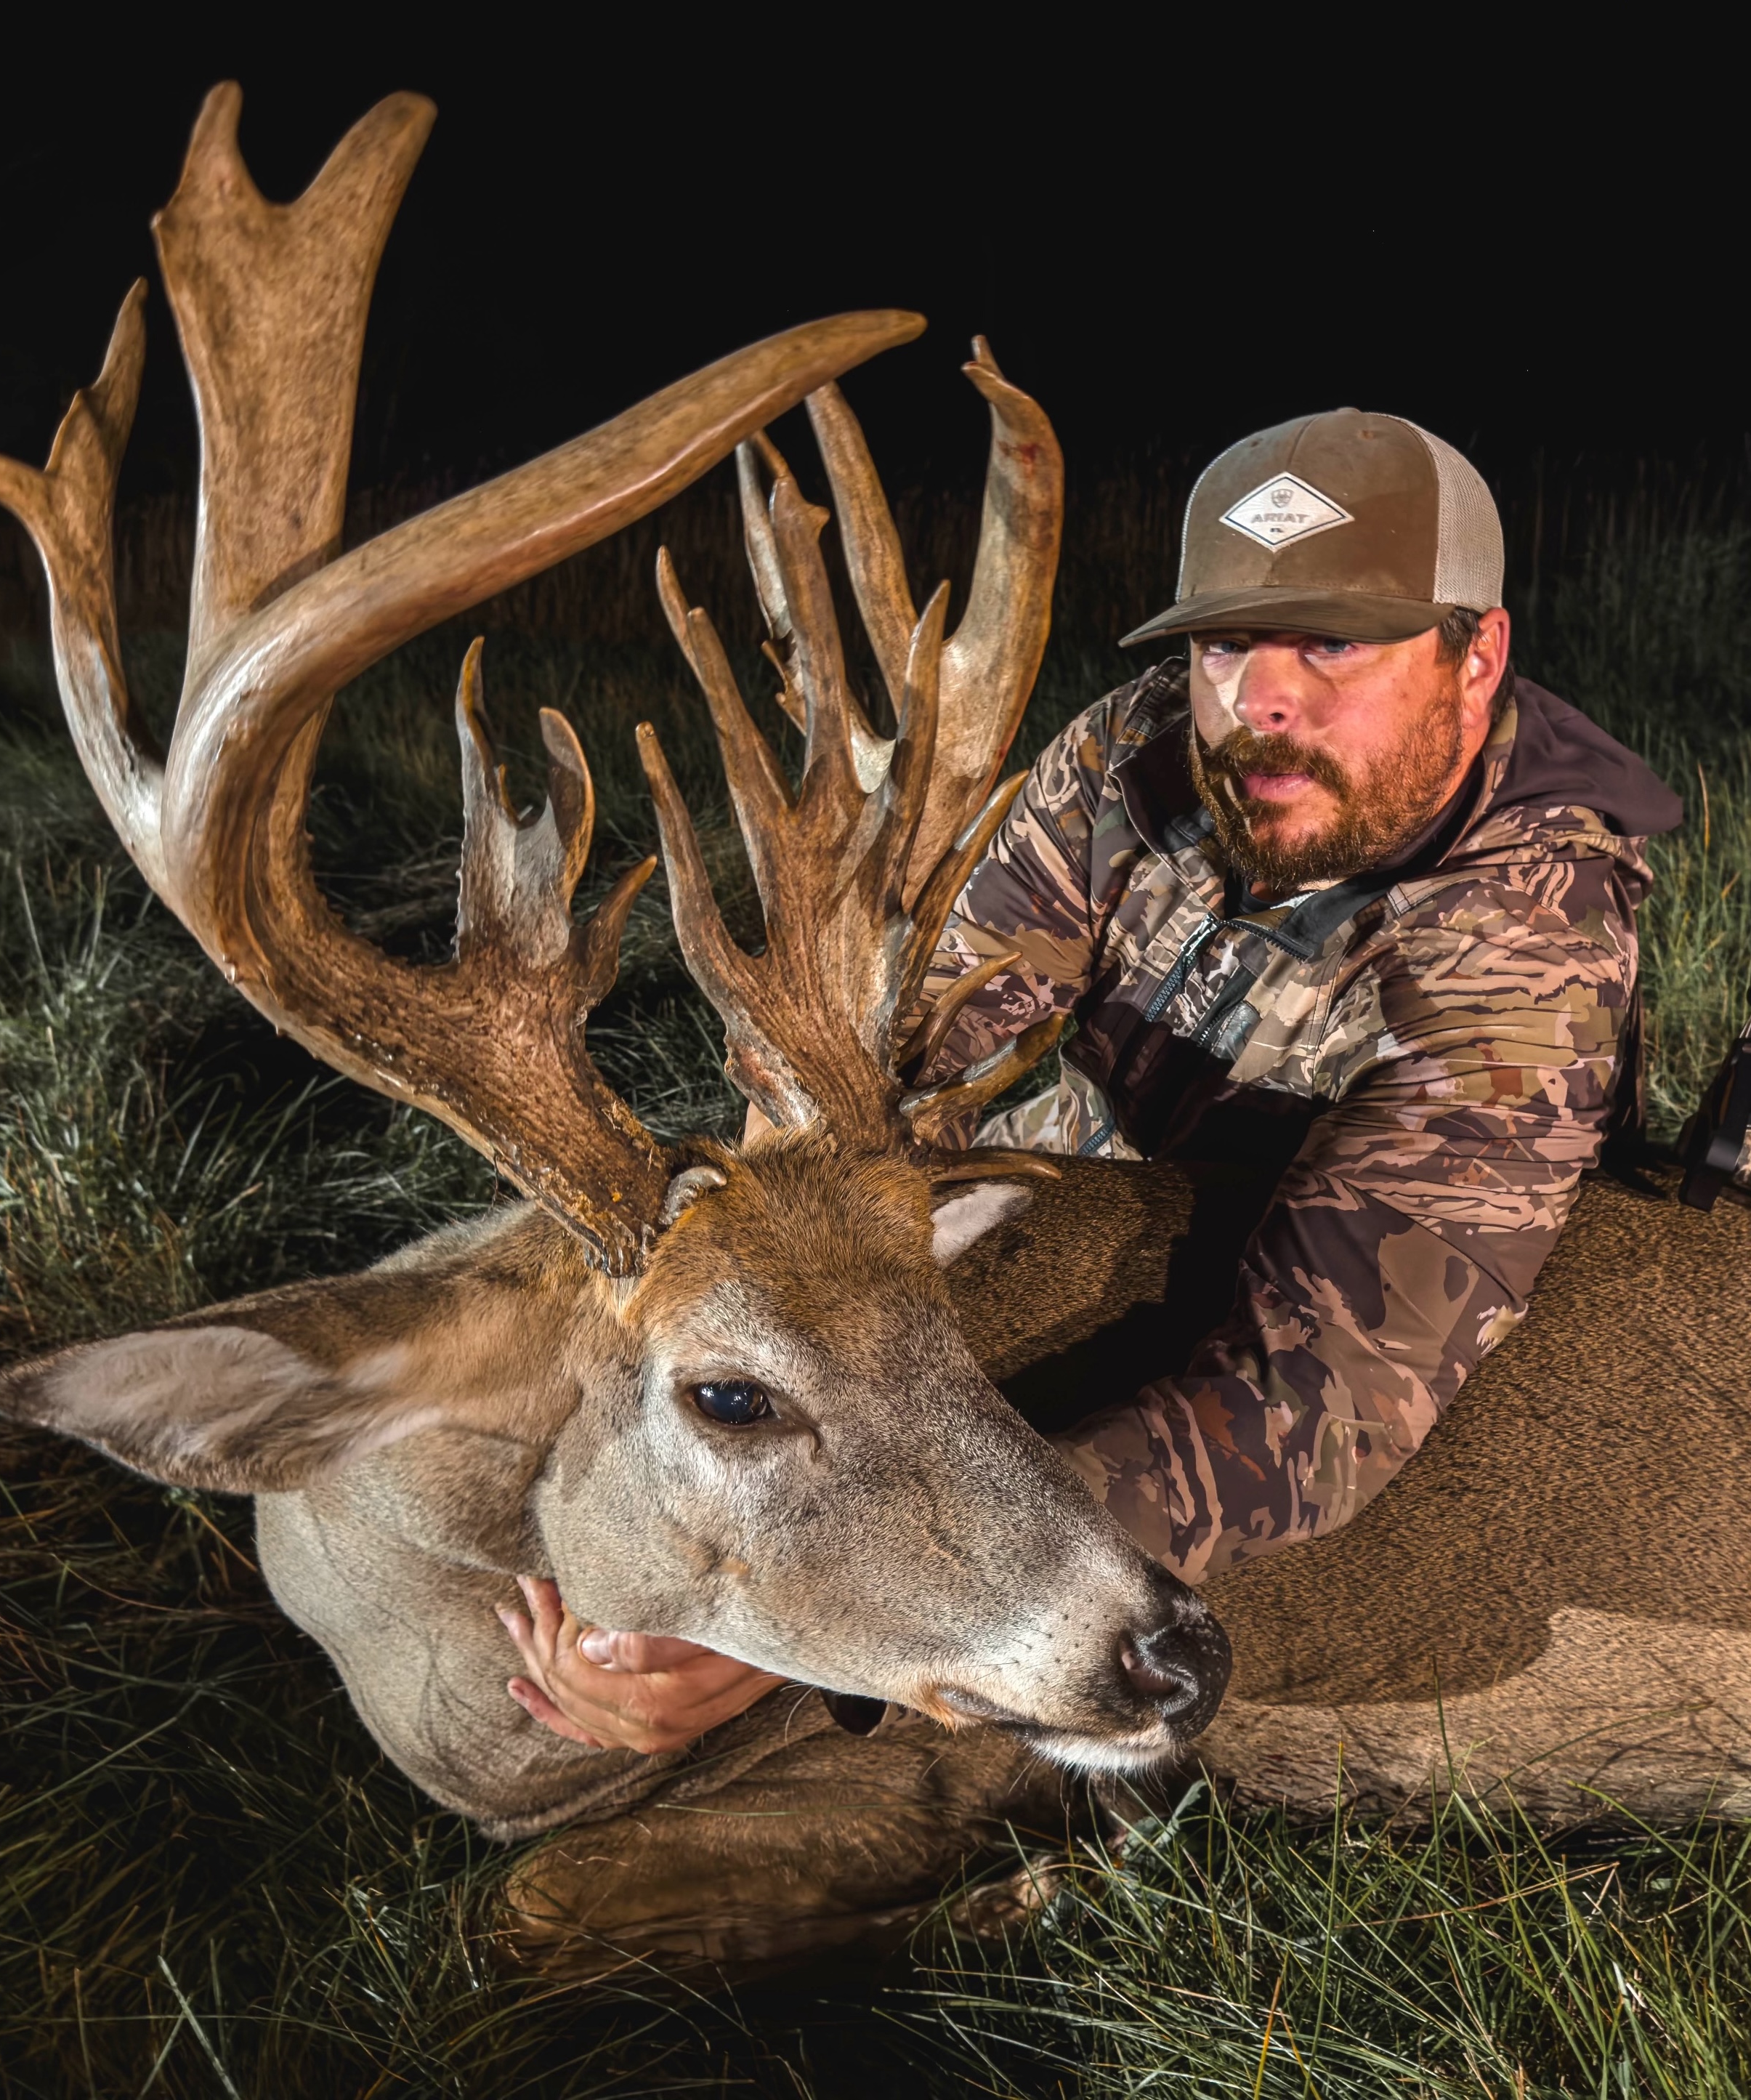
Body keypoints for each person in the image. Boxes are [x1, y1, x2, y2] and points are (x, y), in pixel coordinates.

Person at [498, 409, 1683, 1752]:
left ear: (1479, 656)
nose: (1261, 699)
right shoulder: (1136, 752)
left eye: (1336, 642)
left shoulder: (1525, 941)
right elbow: (912, 1053)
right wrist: (752, 1293)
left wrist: (829, 1601)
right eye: (1226, 643)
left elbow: (1336, 1389)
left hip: (1321, 1305)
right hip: (1088, 1180)